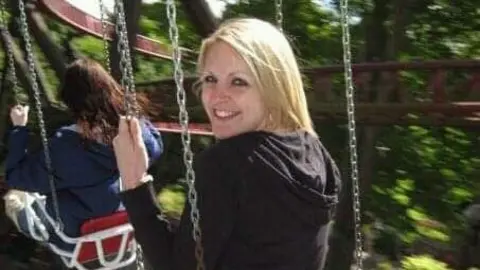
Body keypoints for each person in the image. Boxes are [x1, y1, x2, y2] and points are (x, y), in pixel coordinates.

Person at [114, 18, 341, 270]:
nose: (217, 96)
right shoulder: (316, 153)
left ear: (274, 87)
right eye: (210, 79)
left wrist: (135, 182)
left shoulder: (227, 164)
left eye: (238, 81)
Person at [3, 58, 163, 251]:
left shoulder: (66, 149)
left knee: (15, 198)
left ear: (70, 101)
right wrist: (128, 111)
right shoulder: (134, 134)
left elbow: (16, 176)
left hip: (77, 238)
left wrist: (19, 128)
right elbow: (155, 145)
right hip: (121, 226)